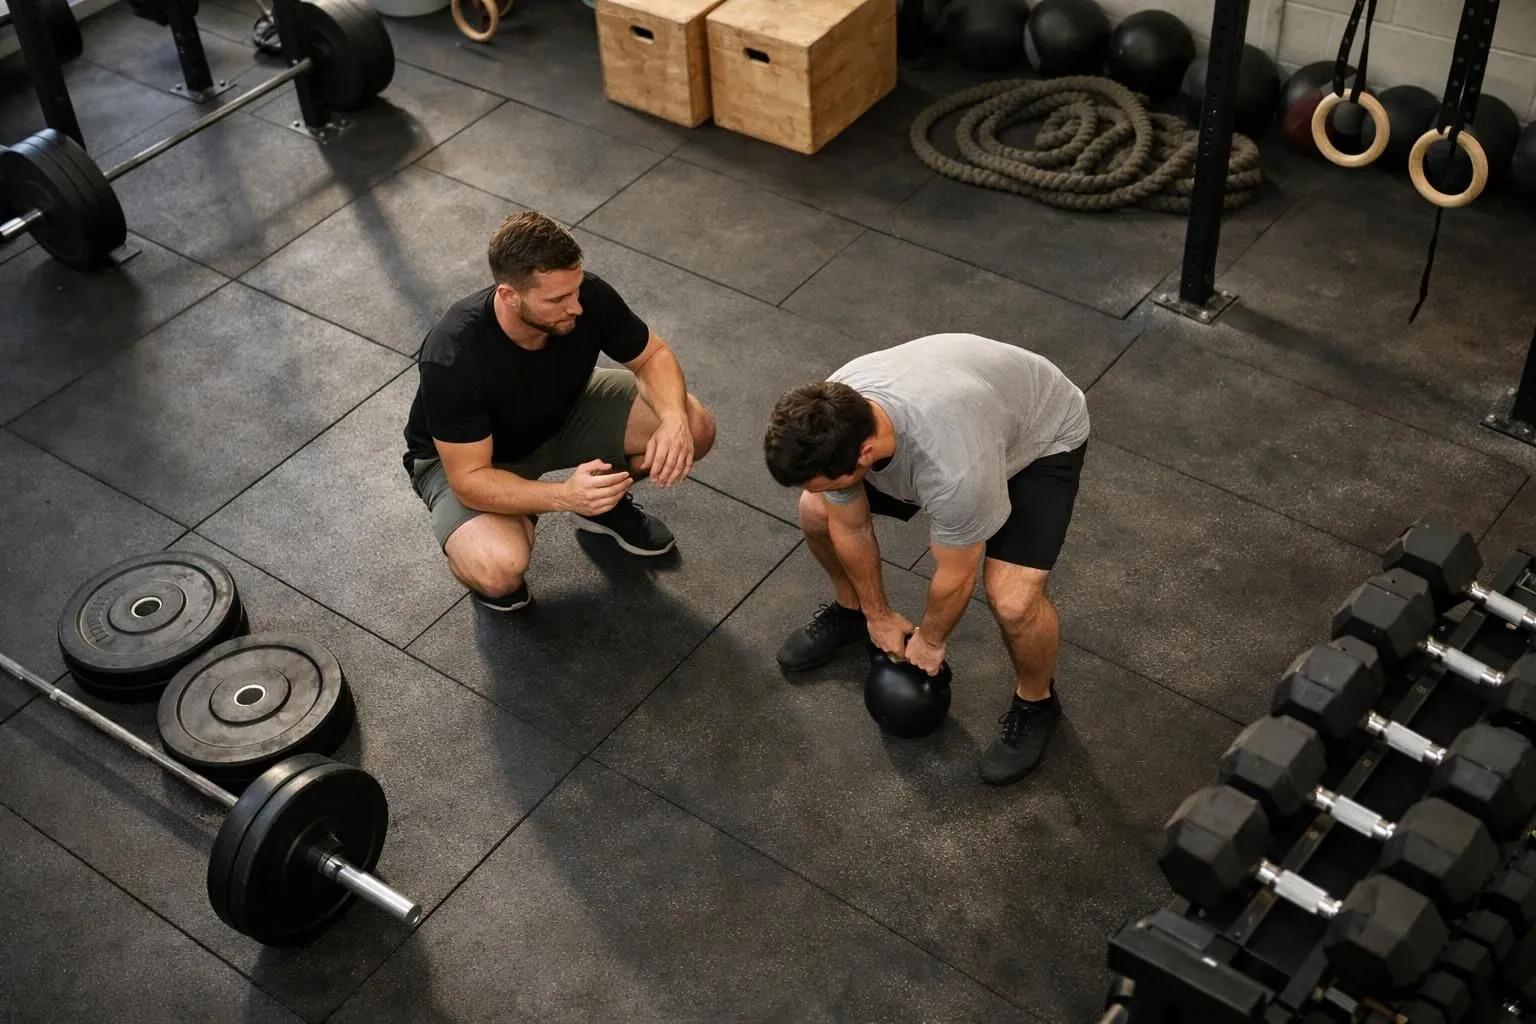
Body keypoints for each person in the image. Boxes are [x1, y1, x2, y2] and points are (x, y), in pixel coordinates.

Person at [763, 333, 1089, 785]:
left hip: (1039, 435)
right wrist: (877, 614)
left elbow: (957, 575)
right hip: (967, 411)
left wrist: (931, 641)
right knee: (816, 511)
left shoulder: (954, 472)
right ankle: (851, 612)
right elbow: (850, 525)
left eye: (826, 480)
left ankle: (1037, 703)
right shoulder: (835, 411)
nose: (819, 487)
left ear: (864, 453)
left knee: (1013, 600)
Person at [402, 211, 716, 611]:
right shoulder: (453, 355)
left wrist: (673, 419)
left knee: (694, 425)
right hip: (477, 461)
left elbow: (652, 355)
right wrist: (564, 497)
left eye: (575, 290)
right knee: (499, 570)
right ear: (509, 295)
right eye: (556, 300)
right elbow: (470, 480)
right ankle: (538, 512)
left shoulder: (585, 297)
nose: (576, 307)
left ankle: (602, 503)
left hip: (562, 413)